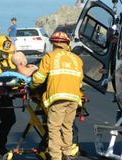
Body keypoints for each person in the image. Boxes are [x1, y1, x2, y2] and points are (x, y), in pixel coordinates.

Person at [29, 31, 84, 160]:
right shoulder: (77, 59)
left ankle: (56, 157)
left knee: (54, 128)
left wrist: (31, 86)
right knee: (67, 127)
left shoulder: (50, 57)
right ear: (67, 44)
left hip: (58, 98)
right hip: (74, 98)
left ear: (53, 43)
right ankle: (67, 154)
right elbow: (80, 81)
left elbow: (39, 78)